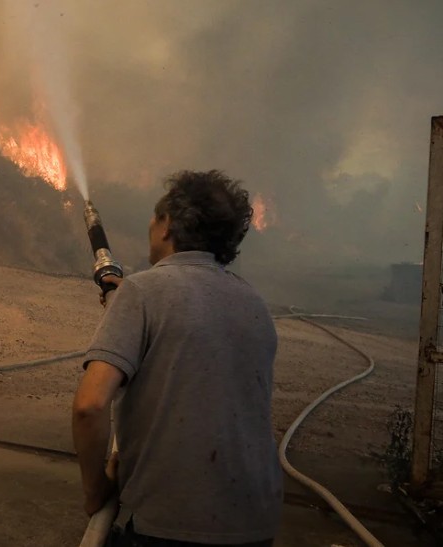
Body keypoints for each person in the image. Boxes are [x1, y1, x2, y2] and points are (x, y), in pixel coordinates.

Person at [72, 170, 282, 546]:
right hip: (257, 526)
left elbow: (89, 406)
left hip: (170, 527)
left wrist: (96, 492)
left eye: (155, 218)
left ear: (167, 225)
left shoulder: (142, 291)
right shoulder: (255, 305)